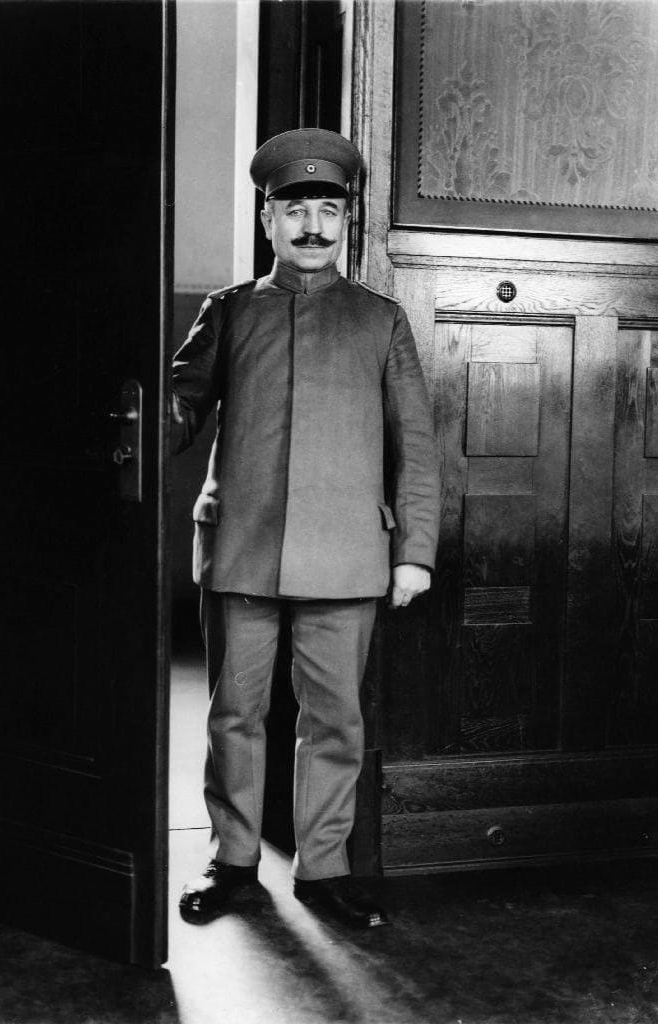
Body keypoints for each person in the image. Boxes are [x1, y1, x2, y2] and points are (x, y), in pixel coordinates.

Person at [172, 128, 440, 929]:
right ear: (268, 221)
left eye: (329, 210)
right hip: (242, 547)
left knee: (334, 720)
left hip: (347, 553)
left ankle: (324, 870)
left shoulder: (380, 320)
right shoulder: (228, 312)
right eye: (296, 213)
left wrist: (414, 553)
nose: (313, 227)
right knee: (233, 713)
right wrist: (143, 419)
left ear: (347, 222)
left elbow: (416, 448)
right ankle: (234, 861)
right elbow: (179, 404)